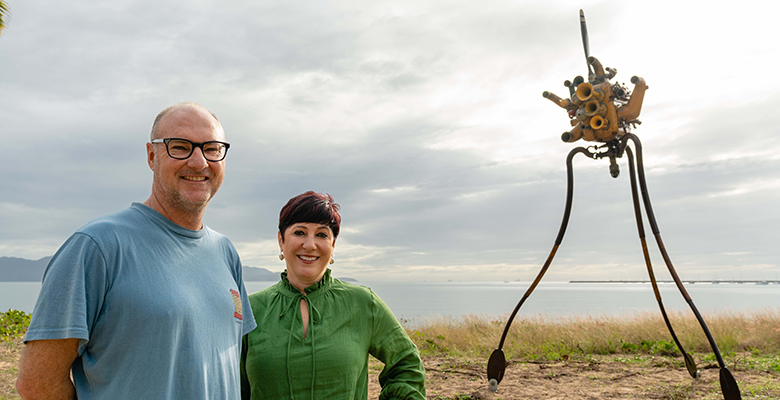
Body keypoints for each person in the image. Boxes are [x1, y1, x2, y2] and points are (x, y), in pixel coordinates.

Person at [16, 102, 256, 400]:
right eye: (180, 147)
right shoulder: (97, 246)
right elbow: (37, 384)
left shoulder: (226, 252)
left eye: (211, 148)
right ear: (152, 155)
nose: (199, 161)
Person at [240, 191, 426, 400]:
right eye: (299, 232)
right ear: (281, 240)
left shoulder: (363, 302)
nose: (310, 245)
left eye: (321, 234)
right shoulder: (251, 309)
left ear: (333, 245)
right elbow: (232, 387)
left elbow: (407, 363)